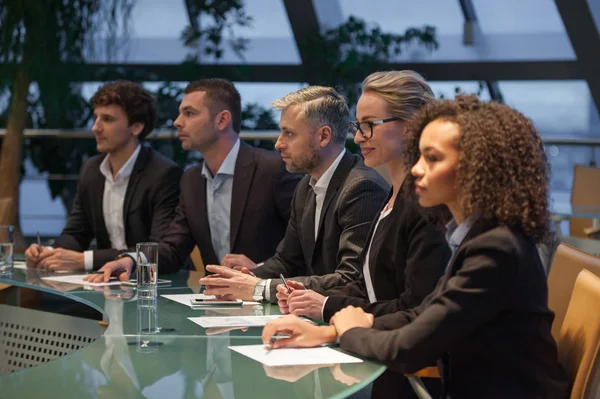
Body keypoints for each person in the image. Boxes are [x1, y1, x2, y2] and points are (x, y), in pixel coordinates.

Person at [262, 95, 570, 399]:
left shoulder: (497, 249)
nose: (417, 169)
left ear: (477, 167)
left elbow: (408, 348)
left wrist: (349, 331)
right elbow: (423, 315)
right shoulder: (479, 235)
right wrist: (328, 331)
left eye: (432, 158)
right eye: (419, 156)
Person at [275, 71, 450, 323]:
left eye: (368, 125)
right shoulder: (394, 197)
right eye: (357, 126)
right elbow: (369, 287)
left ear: (411, 126)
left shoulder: (426, 207)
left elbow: (415, 308)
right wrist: (317, 299)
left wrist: (327, 309)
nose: (358, 137)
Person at [87, 78, 301, 283]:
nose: (177, 122)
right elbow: (173, 248)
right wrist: (132, 260)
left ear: (222, 120)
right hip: (218, 303)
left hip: (275, 300)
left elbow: (305, 245)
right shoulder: (191, 180)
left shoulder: (271, 169)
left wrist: (260, 270)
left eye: (189, 113)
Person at [199, 86, 390, 302]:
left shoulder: (362, 187)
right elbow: (286, 261)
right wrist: (239, 281)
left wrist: (260, 288)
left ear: (324, 136)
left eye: (289, 133)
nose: (279, 143)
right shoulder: (305, 186)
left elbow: (349, 279)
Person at [25, 81, 182, 271]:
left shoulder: (163, 173)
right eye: (96, 117)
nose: (95, 127)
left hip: (155, 285)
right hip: (107, 283)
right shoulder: (91, 169)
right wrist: (50, 253)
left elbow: (158, 250)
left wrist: (86, 260)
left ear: (136, 127)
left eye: (107, 119)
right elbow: (76, 234)